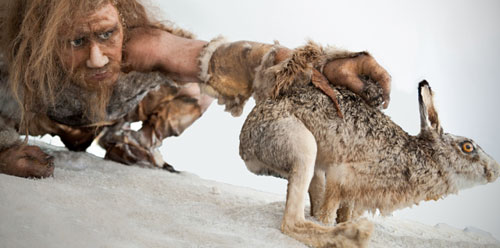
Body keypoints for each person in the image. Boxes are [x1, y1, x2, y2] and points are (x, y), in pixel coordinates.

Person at [0, 0, 391, 178]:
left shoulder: (142, 46)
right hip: (45, 119)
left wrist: (323, 64)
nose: (99, 58)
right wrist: (4, 149)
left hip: (119, 112)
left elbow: (225, 58)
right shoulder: (17, 66)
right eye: (75, 42)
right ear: (42, 40)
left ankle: (135, 142)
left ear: (121, 21)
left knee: (204, 86)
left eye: (107, 34)